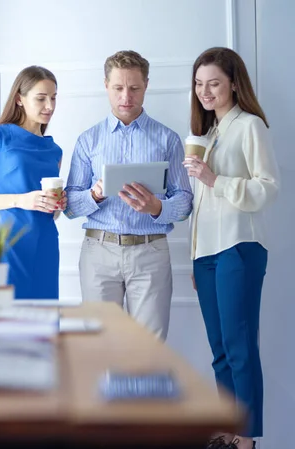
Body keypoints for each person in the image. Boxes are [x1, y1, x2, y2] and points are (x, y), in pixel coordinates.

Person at [186, 47, 279, 449]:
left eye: (214, 83)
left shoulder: (250, 126)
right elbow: (202, 208)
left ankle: (245, 437)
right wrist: (194, 256)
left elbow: (268, 189)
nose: (205, 91)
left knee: (240, 347)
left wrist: (214, 179)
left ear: (233, 84)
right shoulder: (208, 134)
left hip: (239, 248)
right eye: (199, 84)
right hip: (207, 255)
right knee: (220, 349)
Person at [64, 50, 193, 340]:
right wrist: (94, 195)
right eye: (118, 88)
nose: (126, 97)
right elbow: (70, 207)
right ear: (106, 85)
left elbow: (185, 202)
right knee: (99, 345)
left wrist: (157, 207)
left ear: (146, 84)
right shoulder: (88, 140)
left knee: (148, 349)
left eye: (134, 88)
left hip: (151, 252)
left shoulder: (168, 139)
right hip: (98, 253)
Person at [0, 66, 67, 299]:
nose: (49, 106)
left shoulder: (55, 151)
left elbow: (51, 213)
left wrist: (56, 205)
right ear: (19, 99)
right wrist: (21, 200)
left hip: (47, 244)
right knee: (10, 323)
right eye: (41, 98)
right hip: (10, 245)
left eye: (53, 98)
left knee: (44, 323)